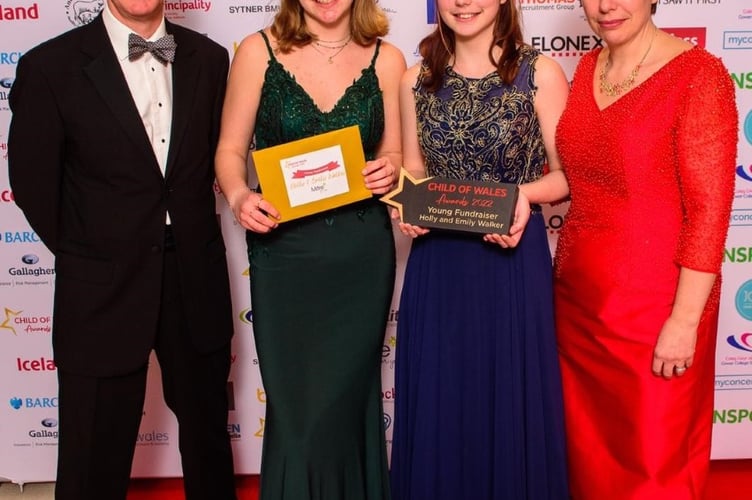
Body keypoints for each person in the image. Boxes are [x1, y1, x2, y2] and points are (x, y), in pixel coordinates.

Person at [7, 2, 237, 499]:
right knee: (93, 454)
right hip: (102, 286)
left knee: (209, 445)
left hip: (194, 276)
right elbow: (32, 183)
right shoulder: (49, 66)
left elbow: (229, 157)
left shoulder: (212, 58)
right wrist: (94, 253)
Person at [214, 0, 405, 498]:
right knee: (297, 413)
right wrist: (238, 195)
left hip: (359, 255)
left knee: (347, 403)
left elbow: (394, 152)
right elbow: (230, 150)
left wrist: (388, 168)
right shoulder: (257, 52)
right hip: (285, 255)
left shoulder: (388, 59)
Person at [553, 0, 738, 497]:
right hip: (578, 305)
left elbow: (709, 211)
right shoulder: (589, 66)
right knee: (587, 458)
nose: (605, 6)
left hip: (655, 308)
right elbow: (576, 178)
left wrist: (684, 322)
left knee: (654, 464)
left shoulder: (699, 74)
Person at [389, 0, 571, 498]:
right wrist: (405, 206)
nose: (464, 2)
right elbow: (415, 172)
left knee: (510, 399)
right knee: (443, 397)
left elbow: (564, 177)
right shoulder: (413, 79)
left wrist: (520, 198)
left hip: (511, 259)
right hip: (439, 264)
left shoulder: (541, 73)